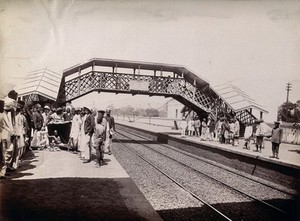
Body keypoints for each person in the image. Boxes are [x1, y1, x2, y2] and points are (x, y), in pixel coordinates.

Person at [0, 97, 17, 179]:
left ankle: (3, 171)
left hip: (6, 136)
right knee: (5, 153)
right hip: (4, 137)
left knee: (6, 153)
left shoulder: (7, 115)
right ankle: (2, 171)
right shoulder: (2, 115)